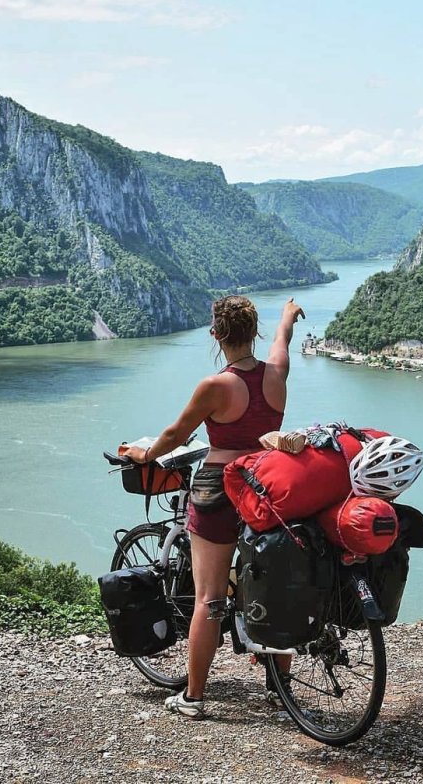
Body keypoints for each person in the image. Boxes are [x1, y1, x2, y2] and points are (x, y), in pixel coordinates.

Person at [122, 295, 305, 719]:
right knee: (275, 586)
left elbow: (175, 434)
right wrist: (287, 316)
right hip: (267, 486)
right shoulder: (276, 374)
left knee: (209, 597)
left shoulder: (215, 386)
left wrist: (144, 455)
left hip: (219, 488)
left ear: (216, 334)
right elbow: (283, 341)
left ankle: (194, 697)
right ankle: (280, 689)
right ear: (254, 331)